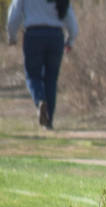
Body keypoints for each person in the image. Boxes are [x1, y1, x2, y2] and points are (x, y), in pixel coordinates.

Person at [6, 0, 78, 130]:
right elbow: (70, 17)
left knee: (32, 76)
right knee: (51, 79)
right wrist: (70, 40)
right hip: (56, 36)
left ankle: (40, 100)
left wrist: (12, 35)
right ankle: (49, 121)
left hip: (33, 35)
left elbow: (14, 13)